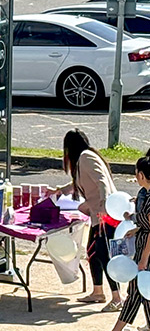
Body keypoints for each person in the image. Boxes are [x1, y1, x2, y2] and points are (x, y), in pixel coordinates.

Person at [60, 129, 122, 309]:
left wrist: (103, 207)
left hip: (105, 215)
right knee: (93, 251)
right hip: (99, 215)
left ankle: (117, 297)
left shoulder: (86, 158)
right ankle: (98, 292)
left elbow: (101, 181)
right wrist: (60, 191)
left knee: (103, 254)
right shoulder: (84, 159)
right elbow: (80, 183)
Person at [100, 151, 150, 331]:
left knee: (141, 291)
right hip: (142, 246)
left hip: (147, 251)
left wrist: (144, 259)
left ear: (141, 175)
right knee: (140, 292)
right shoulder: (145, 195)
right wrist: (137, 227)